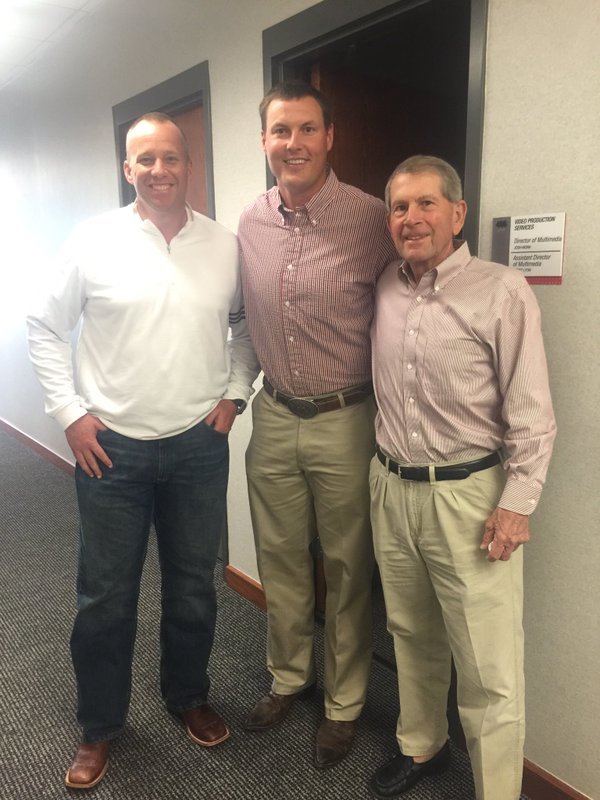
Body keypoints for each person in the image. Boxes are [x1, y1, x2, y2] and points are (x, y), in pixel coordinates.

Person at [26, 112, 259, 790]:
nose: (160, 170)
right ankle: (100, 727)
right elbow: (43, 325)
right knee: (105, 598)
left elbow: (243, 328)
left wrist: (234, 394)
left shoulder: (223, 245)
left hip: (197, 445)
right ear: (128, 169)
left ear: (190, 165)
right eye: (144, 159)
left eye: (171, 158)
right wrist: (70, 415)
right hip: (112, 453)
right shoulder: (92, 240)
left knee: (192, 589)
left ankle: (187, 695)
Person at [368, 155, 556, 800]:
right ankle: (422, 746)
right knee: (411, 631)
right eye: (399, 207)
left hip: (471, 497)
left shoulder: (501, 290)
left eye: (425, 204)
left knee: (488, 665)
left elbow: (533, 415)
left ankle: (496, 791)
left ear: (457, 213)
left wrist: (517, 503)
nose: (411, 218)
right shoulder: (385, 286)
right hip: (392, 488)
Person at [238, 80, 396, 769]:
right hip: (273, 414)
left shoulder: (371, 219)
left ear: (329, 136)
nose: (292, 144)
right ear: (265, 140)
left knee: (347, 567)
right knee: (279, 558)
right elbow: (241, 318)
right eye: (280, 132)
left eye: (306, 130)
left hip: (346, 419)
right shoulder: (249, 221)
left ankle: (345, 704)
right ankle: (289, 677)